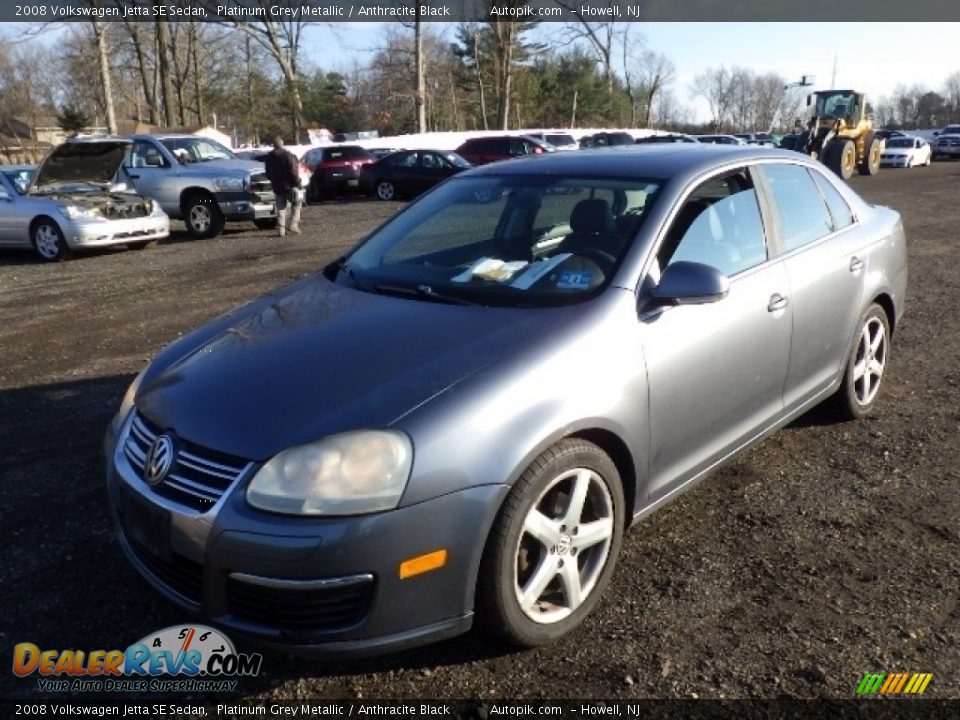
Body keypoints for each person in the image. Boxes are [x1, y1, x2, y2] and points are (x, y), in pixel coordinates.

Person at [263, 135, 302, 236]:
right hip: (290, 185)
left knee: (280, 207)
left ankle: (281, 229)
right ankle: (293, 224)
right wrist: (297, 183)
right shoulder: (288, 155)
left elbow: (268, 173)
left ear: (274, 145)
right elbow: (293, 171)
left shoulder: (269, 157)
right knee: (297, 204)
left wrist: (273, 180)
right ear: (282, 144)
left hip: (277, 186)